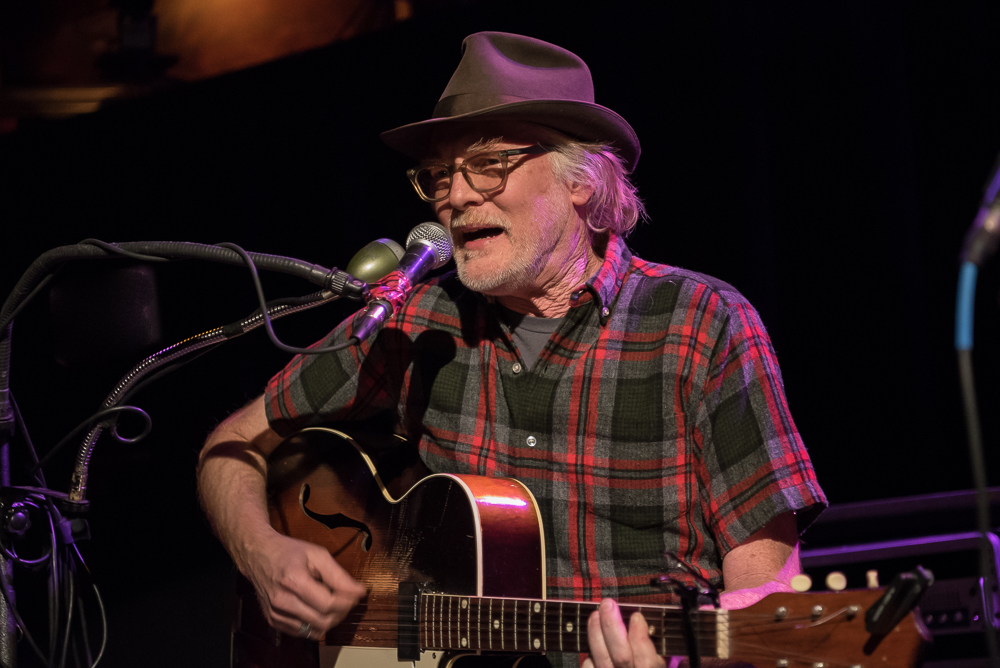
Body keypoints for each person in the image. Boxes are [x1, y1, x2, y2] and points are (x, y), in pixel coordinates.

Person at [198, 31, 826, 668]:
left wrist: (690, 659)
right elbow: (231, 447)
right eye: (439, 175)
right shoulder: (415, 320)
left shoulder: (700, 324)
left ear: (580, 180)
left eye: (489, 163)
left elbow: (766, 589)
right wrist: (263, 554)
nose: (457, 196)